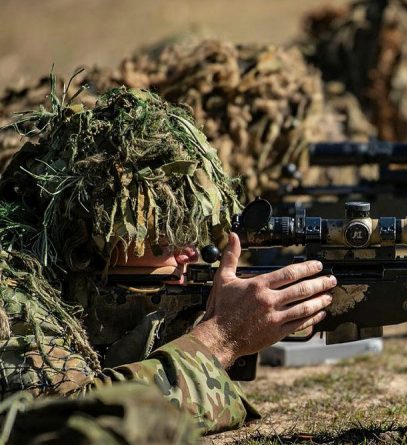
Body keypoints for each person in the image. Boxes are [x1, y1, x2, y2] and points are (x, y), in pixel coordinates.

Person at [0, 86, 334, 440]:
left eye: (192, 234)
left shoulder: (60, 276)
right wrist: (221, 339)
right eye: (165, 240)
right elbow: (74, 420)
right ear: (89, 243)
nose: (190, 253)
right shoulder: (10, 294)